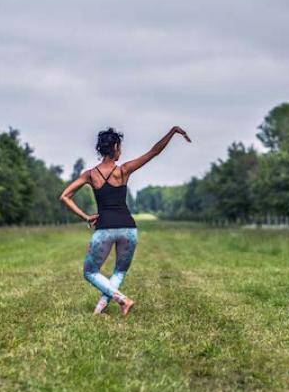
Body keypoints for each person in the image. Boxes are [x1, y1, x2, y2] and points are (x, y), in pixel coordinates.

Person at [60, 126, 191, 315]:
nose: (121, 151)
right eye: (120, 147)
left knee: (90, 272)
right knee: (119, 272)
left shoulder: (90, 175)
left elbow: (65, 196)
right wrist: (173, 132)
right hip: (129, 229)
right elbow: (154, 152)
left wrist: (86, 217)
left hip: (104, 229)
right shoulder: (124, 170)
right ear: (114, 147)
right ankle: (100, 310)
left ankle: (122, 300)